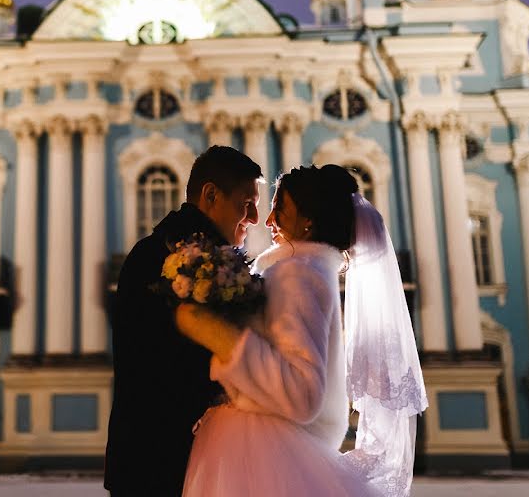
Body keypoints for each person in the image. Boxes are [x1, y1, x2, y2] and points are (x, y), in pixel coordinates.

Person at [177, 165, 427, 497]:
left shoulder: (297, 275)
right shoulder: (306, 271)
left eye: (279, 208)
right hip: (268, 444)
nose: (267, 221)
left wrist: (223, 340)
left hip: (258, 450)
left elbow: (303, 392)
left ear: (307, 220)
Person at [104, 146, 263, 497]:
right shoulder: (176, 258)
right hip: (162, 459)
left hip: (163, 457)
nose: (253, 217)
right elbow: (164, 363)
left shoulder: (168, 250)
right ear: (210, 195)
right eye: (246, 203)